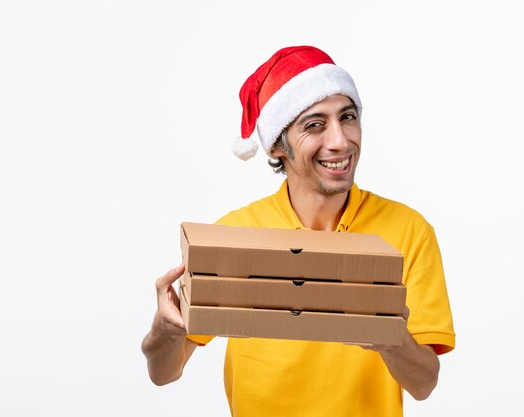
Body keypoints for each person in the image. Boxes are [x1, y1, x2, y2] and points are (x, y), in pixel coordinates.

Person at [141, 45, 455, 417]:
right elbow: (163, 373)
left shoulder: (408, 232)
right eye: (315, 125)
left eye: (348, 117)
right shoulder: (236, 235)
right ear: (277, 146)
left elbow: (424, 384)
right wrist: (166, 328)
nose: (340, 141)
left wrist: (392, 338)